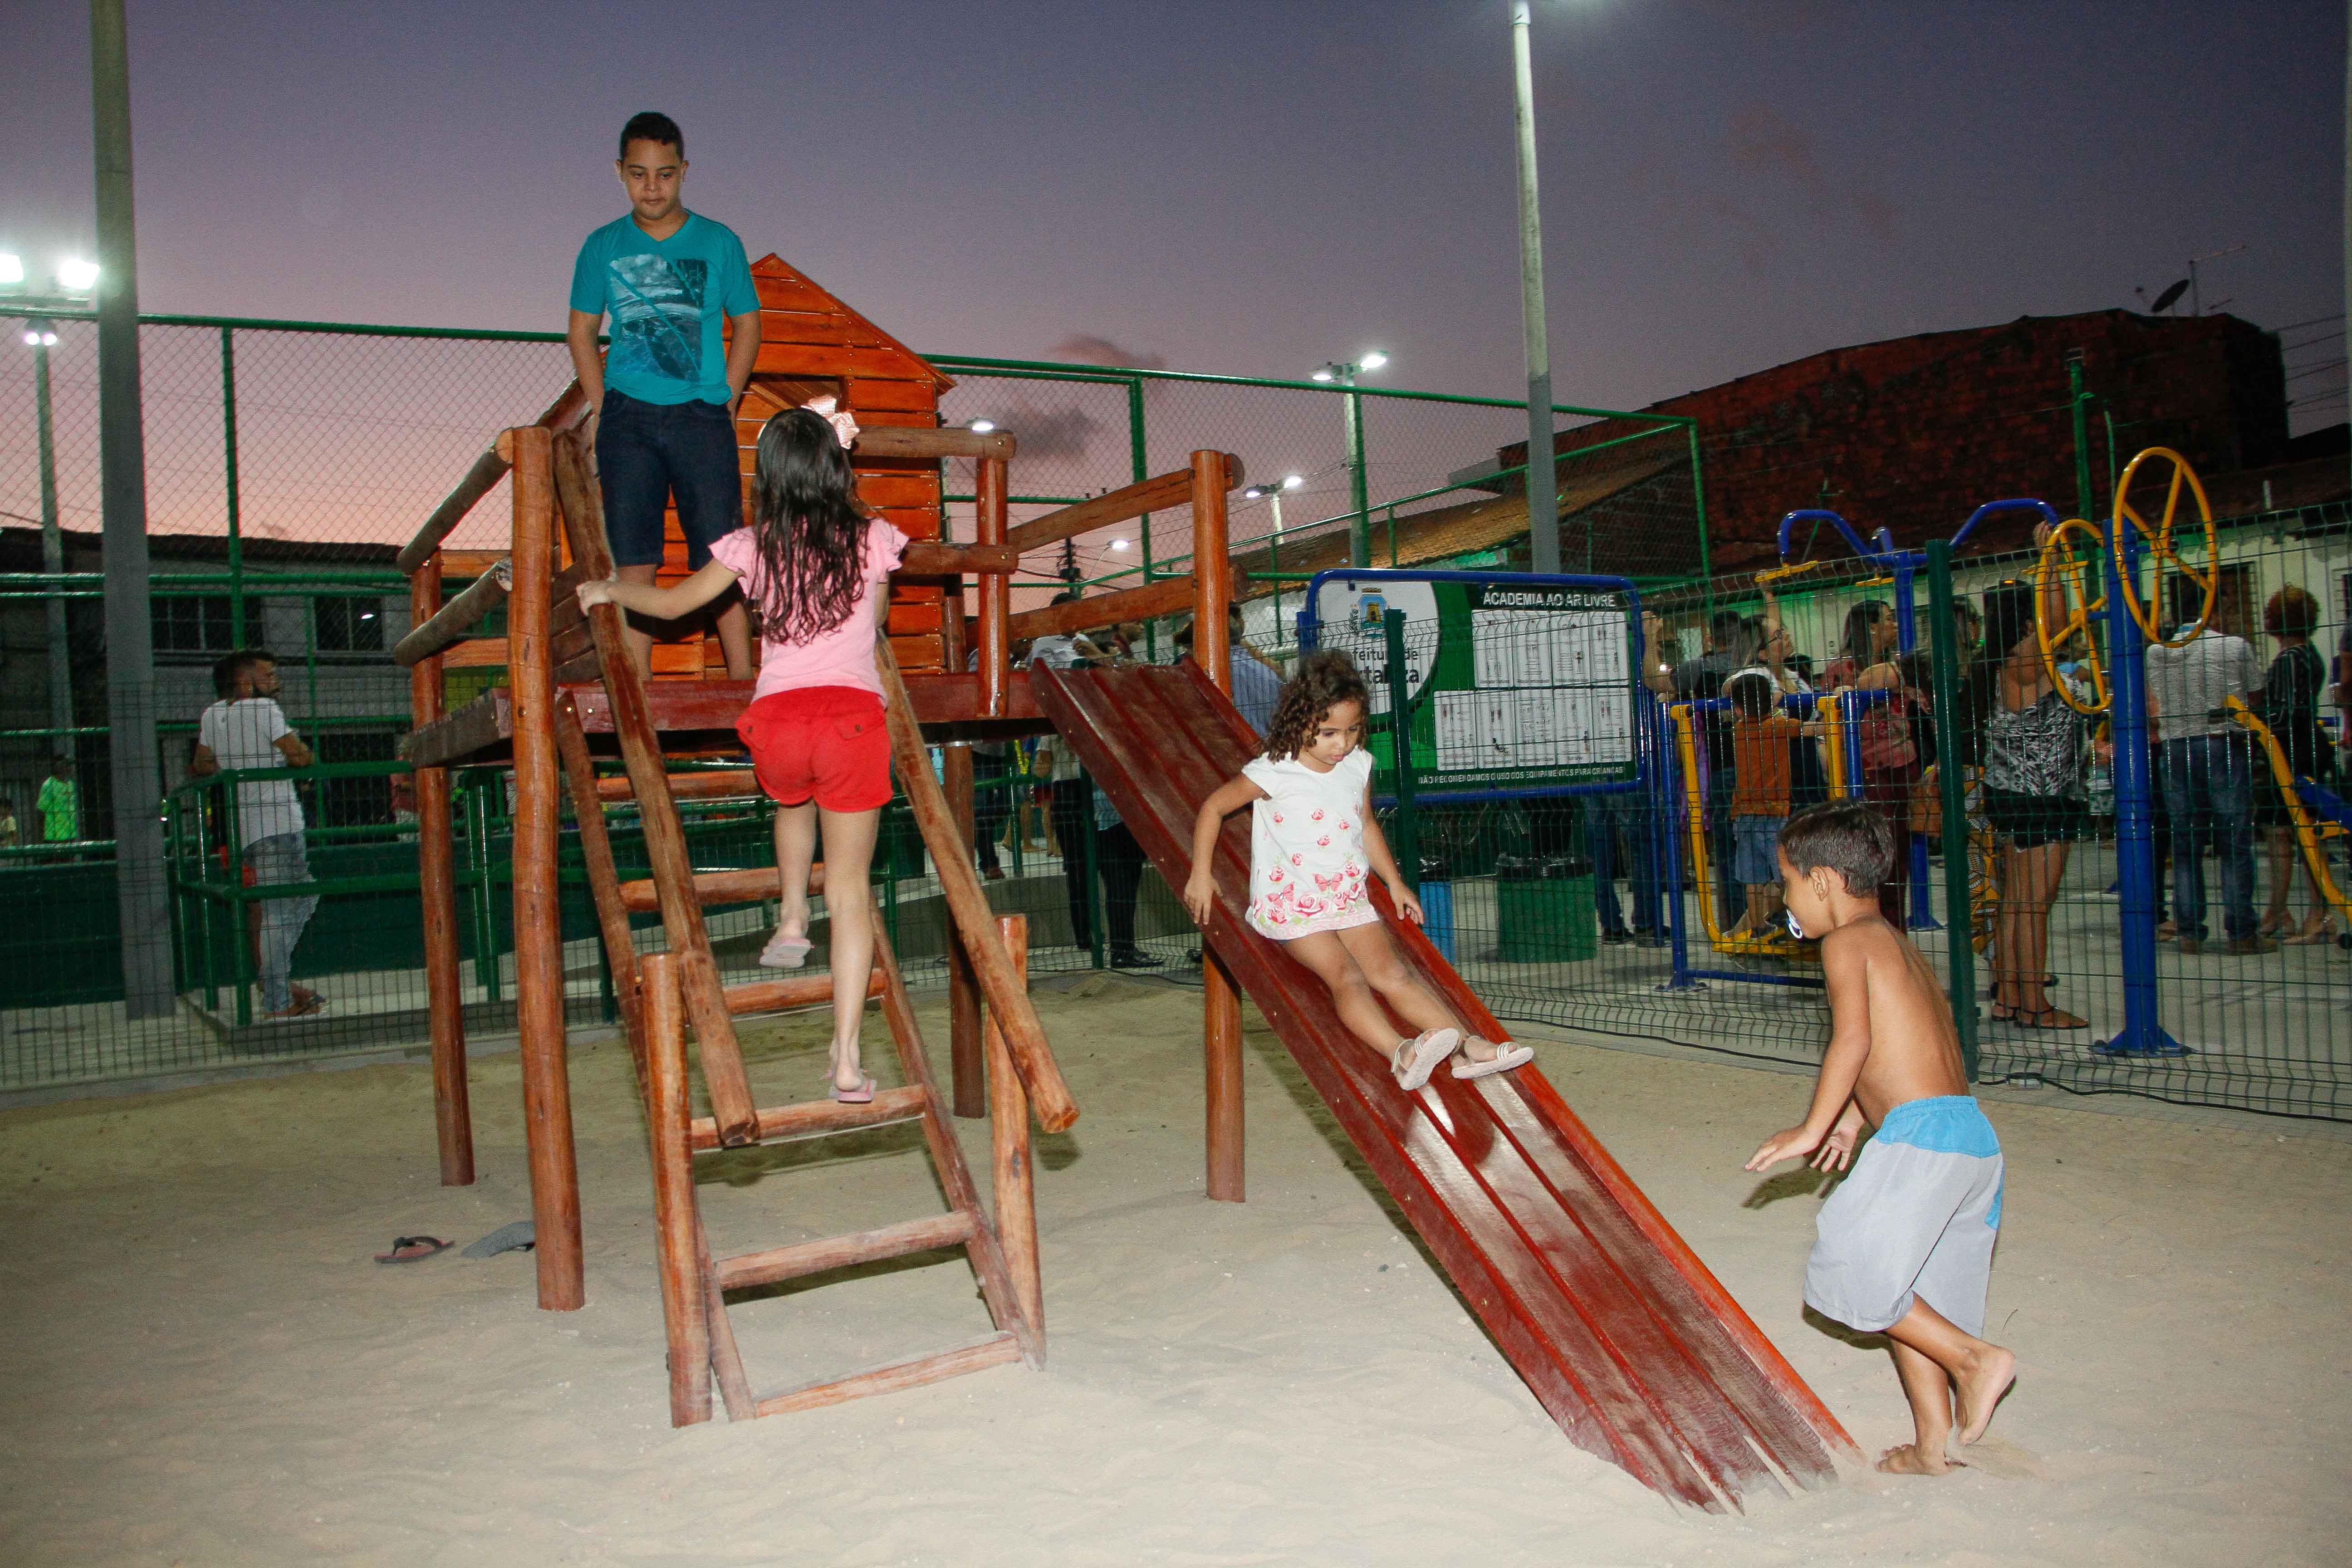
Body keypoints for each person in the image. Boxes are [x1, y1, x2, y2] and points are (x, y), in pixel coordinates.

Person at [580, 404, 903, 1102]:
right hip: (850, 720)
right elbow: (875, 620)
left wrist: (610, 587)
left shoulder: (750, 545)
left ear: (771, 479)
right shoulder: (872, 538)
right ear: (834, 467)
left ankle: (790, 917)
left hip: (777, 722)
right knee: (850, 894)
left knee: (793, 799)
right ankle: (846, 1061)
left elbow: (669, 608)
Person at [1746, 799, 2014, 1477]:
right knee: (1910, 1291)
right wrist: (1857, 1116)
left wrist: (1811, 1127)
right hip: (1968, 1138)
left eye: (1787, 883)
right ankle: (1932, 1445)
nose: (1786, 900)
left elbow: (1856, 1039)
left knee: (1849, 1268)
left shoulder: (1844, 942)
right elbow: (1917, 1044)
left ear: (1825, 882)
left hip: (1921, 1140)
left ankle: (1973, 1360)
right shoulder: (1896, 942)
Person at [1181, 650, 1533, 1088]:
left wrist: (1396, 882)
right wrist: (1201, 871)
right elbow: (1214, 807)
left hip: (1348, 897)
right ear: (1300, 721)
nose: (1341, 744)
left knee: (1394, 975)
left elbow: (1365, 823)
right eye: (1328, 733)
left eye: (1351, 731)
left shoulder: (1358, 765)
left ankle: (1465, 1048)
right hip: (1293, 905)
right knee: (1345, 975)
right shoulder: (1275, 771)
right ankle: (1399, 1052)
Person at [568, 111, 764, 683]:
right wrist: (604, 405)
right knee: (635, 557)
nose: (652, 188)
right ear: (619, 174)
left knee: (723, 554)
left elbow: (748, 323)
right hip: (628, 417)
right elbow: (581, 331)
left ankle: (742, 688)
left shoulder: (719, 241)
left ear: (684, 171)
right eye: (638, 174)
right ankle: (639, 699)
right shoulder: (600, 245)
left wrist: (726, 396)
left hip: (701, 416)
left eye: (665, 174)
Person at [1978, 564, 2091, 1027]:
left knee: (2016, 901)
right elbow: (2060, 623)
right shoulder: (2025, 662)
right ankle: (2035, 1006)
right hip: (2042, 796)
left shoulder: (1995, 662)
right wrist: (2054, 565)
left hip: (2012, 792)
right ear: (2029, 623)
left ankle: (2009, 996)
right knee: (2034, 905)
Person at [191, 650, 324, 1020]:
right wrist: (302, 751)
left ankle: (274, 983)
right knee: (284, 910)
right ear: (246, 682)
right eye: (267, 674)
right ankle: (277, 1000)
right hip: (278, 824)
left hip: (245, 829)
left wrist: (233, 756)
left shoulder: (212, 714)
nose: (275, 680)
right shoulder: (265, 710)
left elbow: (202, 764)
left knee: (285, 905)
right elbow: (299, 757)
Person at [2146, 593, 2271, 956]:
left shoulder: (2157, 653)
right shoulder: (2234, 646)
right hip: (2223, 743)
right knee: (2234, 843)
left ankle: (2188, 932)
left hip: (2175, 747)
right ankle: (2242, 933)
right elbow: (2256, 696)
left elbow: (2154, 711)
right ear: (2213, 611)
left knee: (2185, 845)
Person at [1644, 608, 1756, 931]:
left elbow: (1653, 680)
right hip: (1765, 768)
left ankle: (1737, 927)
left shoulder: (1701, 669)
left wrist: (1650, 637)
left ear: (1710, 637)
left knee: (1728, 853)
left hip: (1722, 769)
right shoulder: (1760, 670)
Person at [2250, 585, 2336, 943]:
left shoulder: (2288, 660)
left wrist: (2251, 719)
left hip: (2289, 753)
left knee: (2286, 834)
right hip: (2307, 746)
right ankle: (2292, 911)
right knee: (2300, 833)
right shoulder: (2310, 655)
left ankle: (2305, 914)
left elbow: (2284, 715)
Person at [1726, 671, 1813, 937]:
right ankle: (1792, 924)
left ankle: (1757, 926)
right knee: (1783, 875)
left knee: (1752, 878)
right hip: (1774, 812)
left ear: (1739, 708)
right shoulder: (1779, 727)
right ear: (1771, 702)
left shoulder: (1738, 731)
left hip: (1744, 813)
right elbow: (1813, 728)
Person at [36, 756, 77, 842]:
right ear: (59, 767)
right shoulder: (49, 785)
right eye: (67, 765)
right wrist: (42, 836)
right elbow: (41, 811)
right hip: (54, 837)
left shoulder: (70, 784)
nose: (70, 768)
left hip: (70, 835)